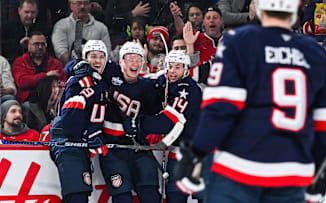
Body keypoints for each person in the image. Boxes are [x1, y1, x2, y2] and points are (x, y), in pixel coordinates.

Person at [174, 0, 326, 203]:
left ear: (260, 6)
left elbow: (221, 109)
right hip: (291, 172)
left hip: (241, 167)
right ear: (297, 6)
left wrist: (196, 152)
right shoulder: (318, 54)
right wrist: (321, 170)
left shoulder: (239, 41)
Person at [141, 50, 208, 203]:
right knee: (174, 197)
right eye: (170, 66)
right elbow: (144, 81)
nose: (172, 71)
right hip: (177, 152)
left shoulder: (188, 89)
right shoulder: (166, 81)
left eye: (177, 67)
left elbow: (168, 122)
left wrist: (138, 125)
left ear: (186, 69)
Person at [101, 41, 163, 203]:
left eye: (138, 59)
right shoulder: (109, 74)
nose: (134, 63)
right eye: (130, 59)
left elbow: (154, 114)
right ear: (121, 61)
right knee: (122, 198)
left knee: (151, 194)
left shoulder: (149, 87)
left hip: (139, 149)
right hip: (114, 150)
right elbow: (81, 64)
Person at [49, 40, 109, 203]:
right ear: (85, 59)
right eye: (93, 56)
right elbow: (69, 120)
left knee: (80, 193)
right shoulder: (80, 81)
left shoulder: (100, 82)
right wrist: (90, 133)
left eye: (101, 57)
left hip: (78, 143)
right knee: (77, 195)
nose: (97, 61)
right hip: (67, 140)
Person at [12, 31, 66, 104]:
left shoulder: (55, 63)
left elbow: (63, 82)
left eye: (43, 44)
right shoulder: (20, 62)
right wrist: (46, 76)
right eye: (36, 44)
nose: (40, 47)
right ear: (29, 46)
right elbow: (22, 82)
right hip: (28, 100)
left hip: (52, 98)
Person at [52, 0, 111, 65]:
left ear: (89, 5)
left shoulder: (101, 27)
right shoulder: (61, 25)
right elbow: (61, 53)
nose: (82, 6)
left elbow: (106, 53)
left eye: (85, 3)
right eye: (78, 3)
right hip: (69, 69)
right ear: (71, 6)